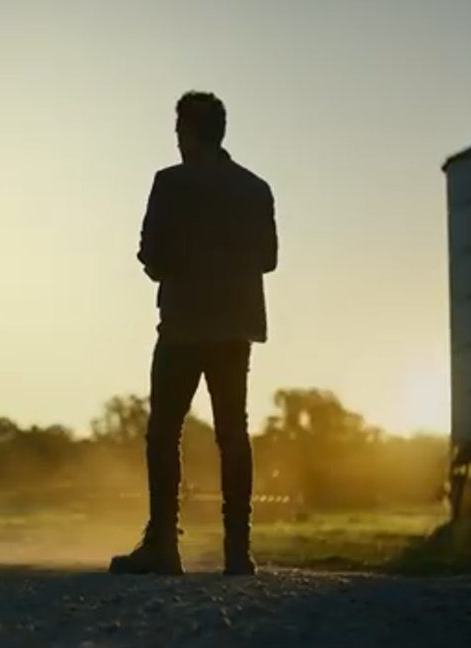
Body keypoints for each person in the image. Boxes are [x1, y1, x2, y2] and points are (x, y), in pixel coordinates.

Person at [109, 91, 278, 576]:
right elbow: (268, 258)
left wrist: (176, 266)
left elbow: (149, 254)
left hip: (182, 324)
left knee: (164, 431)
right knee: (233, 433)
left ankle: (164, 542)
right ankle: (238, 551)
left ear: (185, 130)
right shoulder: (255, 188)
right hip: (235, 328)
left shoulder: (169, 184)